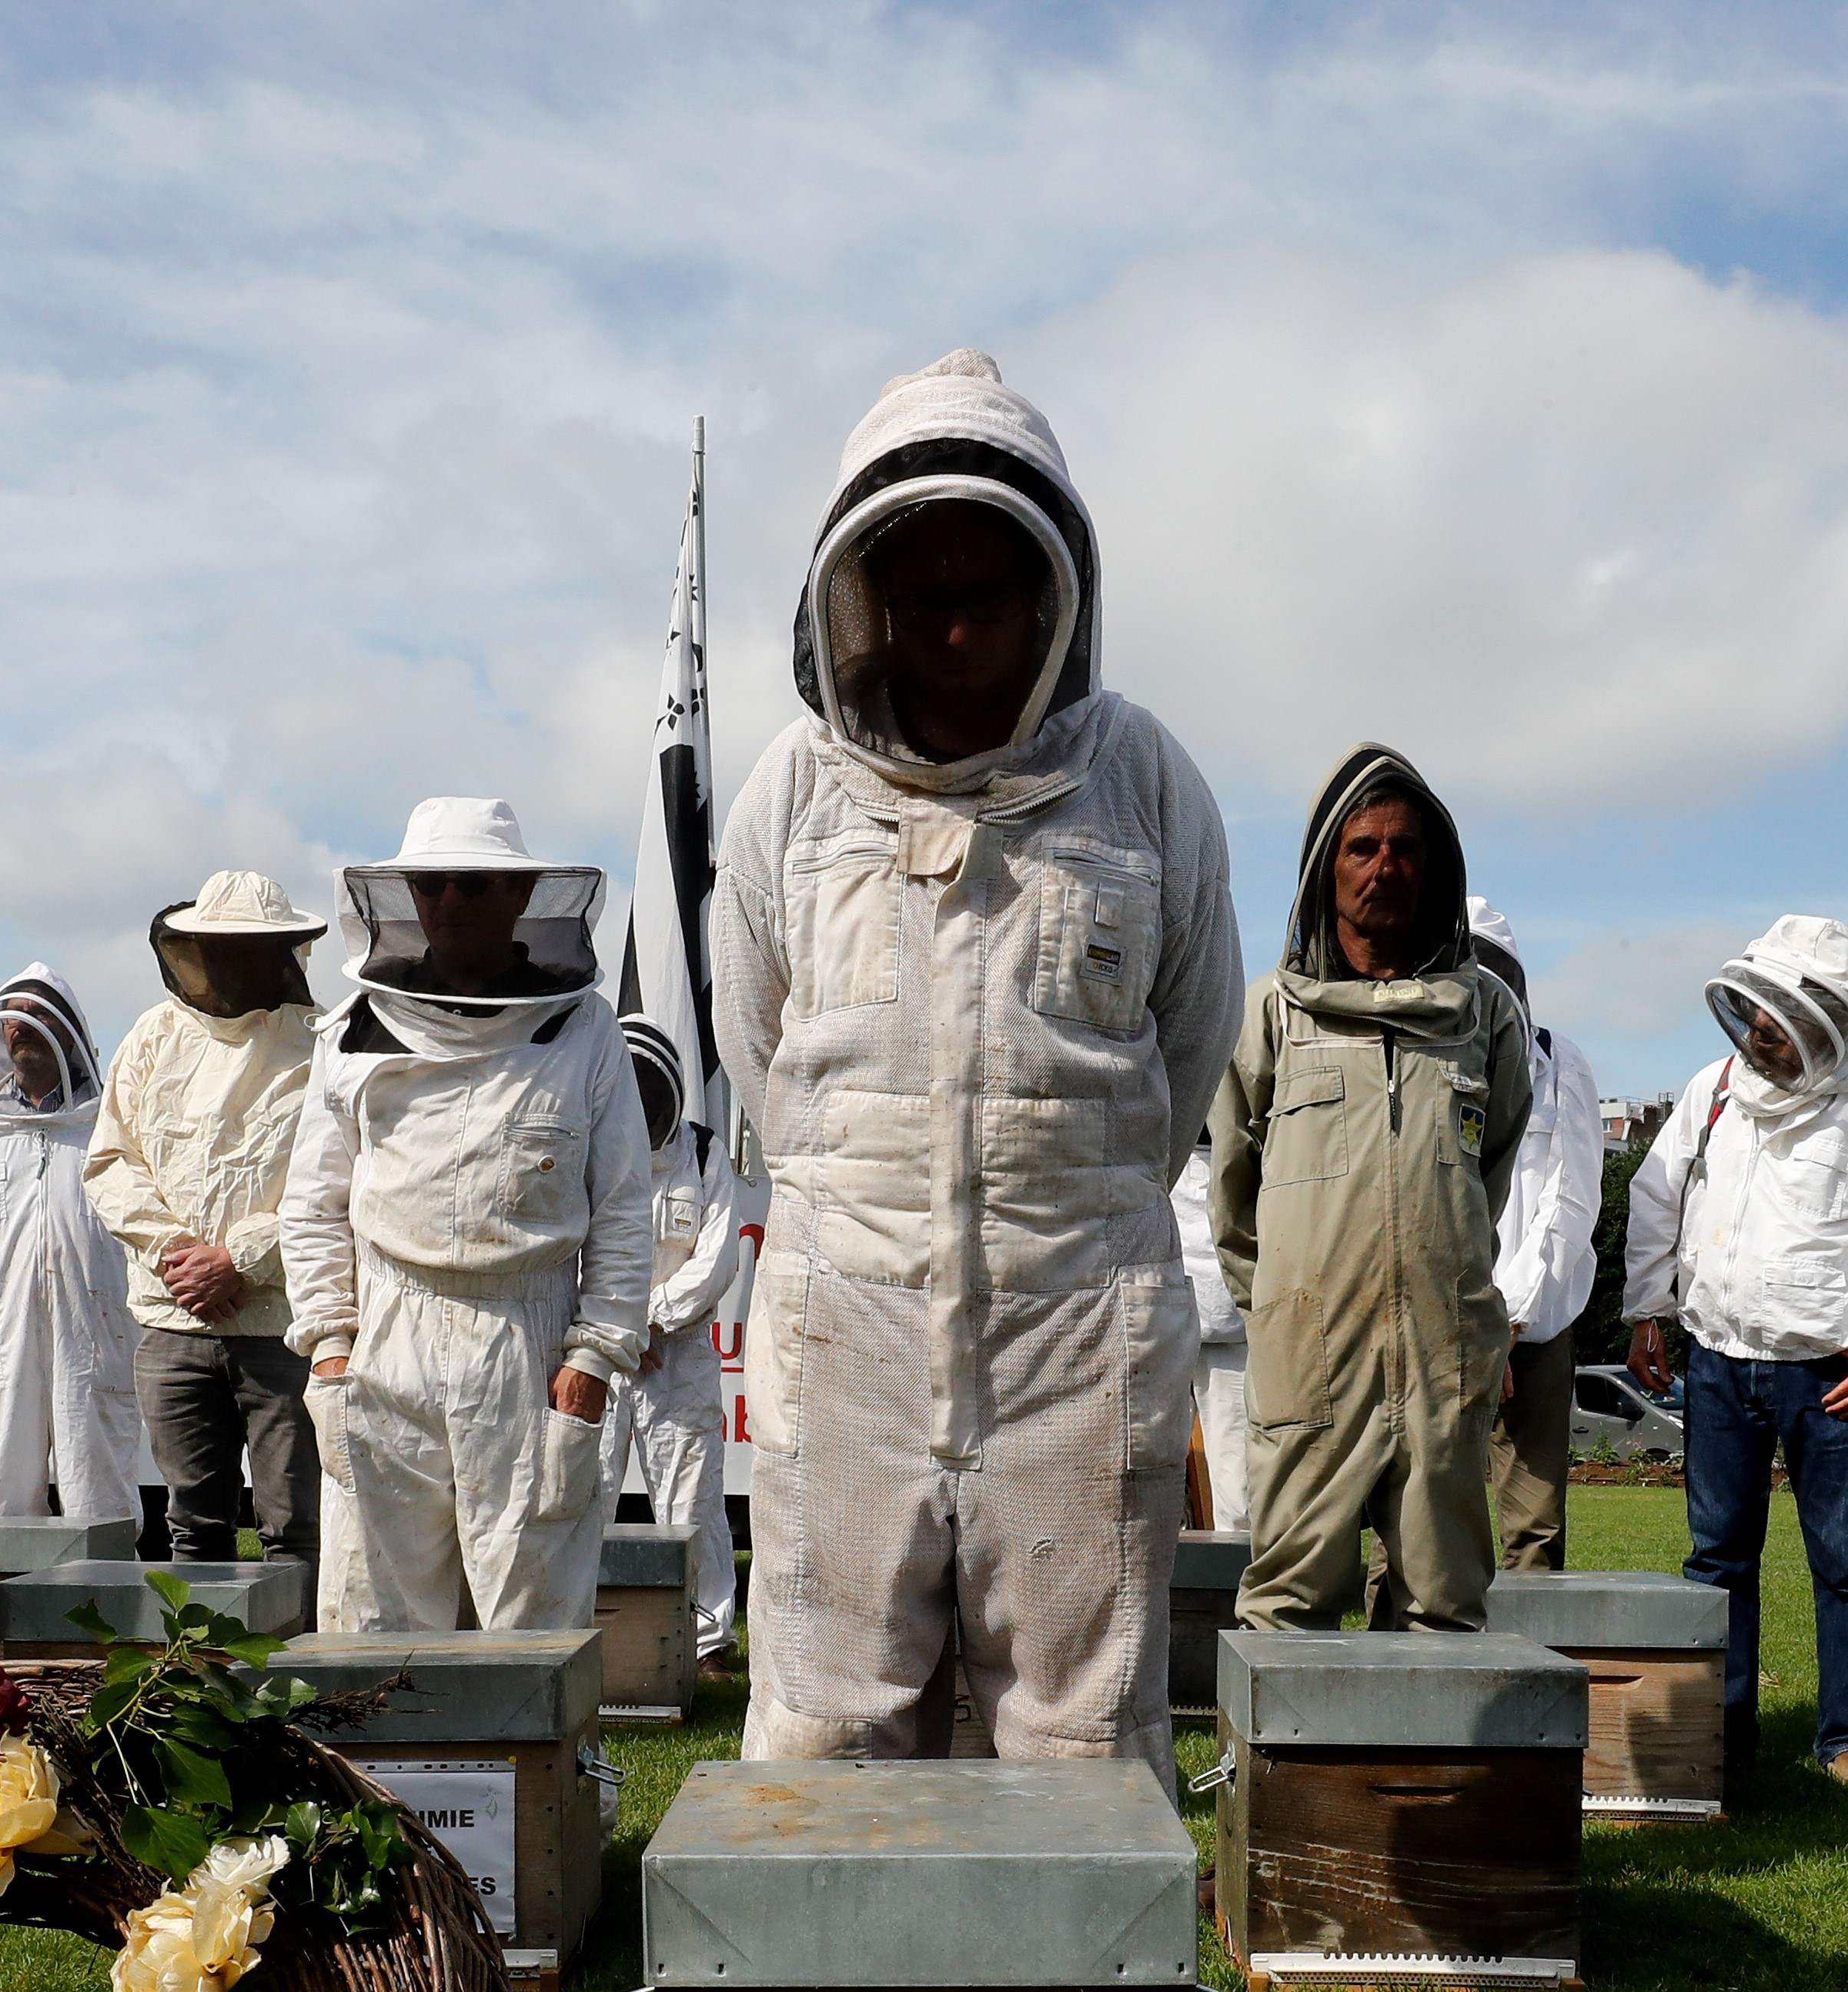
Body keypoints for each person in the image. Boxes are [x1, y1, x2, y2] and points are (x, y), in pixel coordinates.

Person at [710, 349, 1241, 1776]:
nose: (952, 636)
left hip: (1082, 1315)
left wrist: (1054, 1208)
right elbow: (754, 1048)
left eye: (984, 598)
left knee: (1079, 1733)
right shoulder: (789, 794)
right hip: (848, 1316)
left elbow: (1187, 1050)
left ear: (1050, 600)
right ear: (861, 601)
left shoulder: (1142, 782)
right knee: (827, 1723)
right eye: (919, 598)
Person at [282, 799, 653, 1633]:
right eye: (433, 885)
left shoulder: (584, 1030)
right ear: (408, 897)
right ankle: (377, 1771)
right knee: (375, 1609)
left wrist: (595, 1352)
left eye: (475, 886)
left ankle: (536, 1770)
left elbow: (626, 1206)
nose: (451, 902)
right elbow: (312, 1203)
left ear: (518, 898)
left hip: (530, 1340)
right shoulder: (348, 1034)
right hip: (385, 1333)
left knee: (534, 1614)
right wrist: (333, 1344)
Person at [1209, 748, 1534, 1631]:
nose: (1385, 867)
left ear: (1435, 869)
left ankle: (1436, 1778)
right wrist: (1283, 1306)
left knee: (1445, 1604)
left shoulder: (1485, 1015)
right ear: (1325, 865)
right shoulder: (1273, 1010)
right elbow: (1233, 1192)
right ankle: (1284, 1778)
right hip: (1310, 1358)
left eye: (1405, 849)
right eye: (1362, 848)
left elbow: (1489, 1169)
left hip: (1443, 1356)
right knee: (1288, 1606)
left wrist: (1439, 1272)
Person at [1621, 915, 1848, 1793]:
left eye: (1781, 1028)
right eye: (1756, 1024)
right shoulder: (1714, 1088)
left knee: (1844, 1562)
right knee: (1717, 1558)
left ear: (1826, 1020)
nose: (1764, 1041)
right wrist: (1648, 1310)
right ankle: (1721, 1734)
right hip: (1720, 1360)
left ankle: (1846, 1743)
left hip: (1836, 1373)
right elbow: (1655, 1196)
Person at [88, 871, 325, 1573]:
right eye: (218, 946)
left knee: (296, 1526)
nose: (232, 962)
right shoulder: (154, 1036)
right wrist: (179, 1254)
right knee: (192, 1524)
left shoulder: (326, 1044)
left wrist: (242, 1261)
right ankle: (193, 1679)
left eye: (251, 948)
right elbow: (110, 1161)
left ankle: (301, 1682)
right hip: (174, 1322)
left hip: (283, 1324)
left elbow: (339, 1183)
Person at [0, 968, 143, 1522]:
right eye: (13, 1016)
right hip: (3, 1338)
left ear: (72, 1028)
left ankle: (106, 1611)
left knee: (98, 1501)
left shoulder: (111, 1127)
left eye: (39, 1012)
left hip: (94, 1335)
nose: (21, 1027)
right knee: (2, 1502)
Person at [609, 1022, 751, 1656]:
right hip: (601, 1352)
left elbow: (719, 1259)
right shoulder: (595, 1147)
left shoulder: (702, 1153)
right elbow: (575, 1247)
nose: (640, 1105)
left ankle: (707, 1643)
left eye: (649, 1090)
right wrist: (619, 1327)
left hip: (678, 1353)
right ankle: (585, 1633)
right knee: (582, 1499)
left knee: (692, 1499)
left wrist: (654, 1318)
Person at [1475, 897, 1606, 1575]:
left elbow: (1570, 1201)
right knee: (1415, 1525)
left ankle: (1528, 1677)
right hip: (1438, 1331)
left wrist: (1509, 1322)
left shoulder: (1559, 1064)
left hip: (1536, 1334)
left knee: (1533, 1532)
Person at [1171, 1128, 1246, 1532]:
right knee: (1139, 1486)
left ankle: (1235, 1591)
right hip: (1155, 1320)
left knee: (1239, 1498)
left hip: (1233, 1325)